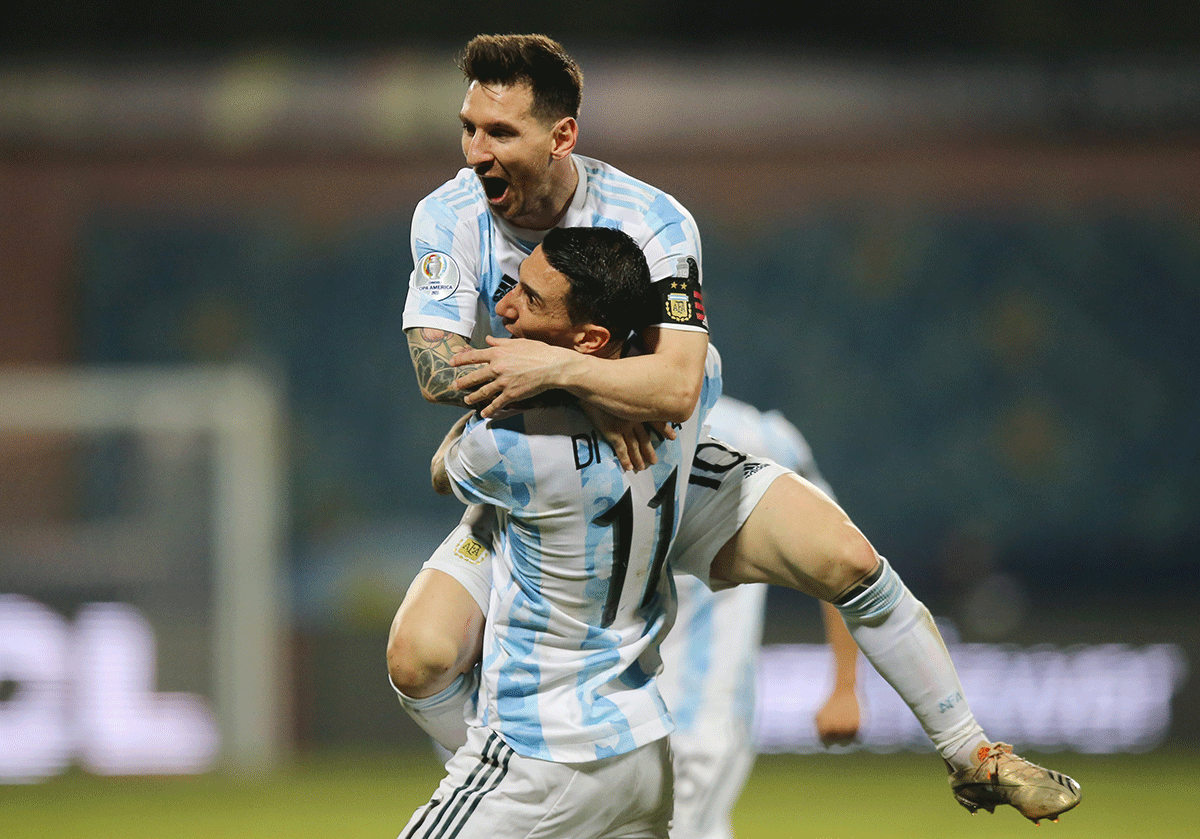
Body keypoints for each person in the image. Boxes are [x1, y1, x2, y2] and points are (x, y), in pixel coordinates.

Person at [390, 33, 1081, 825]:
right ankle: (506, 777)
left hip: (663, 461)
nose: (477, 151)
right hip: (552, 472)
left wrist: (555, 374)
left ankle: (974, 752)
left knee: (846, 556)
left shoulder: (652, 220)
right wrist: (606, 394)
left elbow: (679, 384)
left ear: (561, 135)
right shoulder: (446, 218)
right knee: (420, 656)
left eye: (500, 133)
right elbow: (438, 371)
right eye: (469, 127)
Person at [399, 226, 720, 838]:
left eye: (532, 300)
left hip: (541, 749)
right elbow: (679, 369)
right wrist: (591, 379)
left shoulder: (507, 446)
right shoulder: (693, 404)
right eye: (516, 281)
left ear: (588, 338)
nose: (504, 305)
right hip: (642, 746)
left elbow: (445, 469)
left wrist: (548, 382)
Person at [658, 394, 861, 839]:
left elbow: (838, 557)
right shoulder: (589, 415)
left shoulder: (757, 436)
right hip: (612, 709)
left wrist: (845, 685)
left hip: (698, 715)